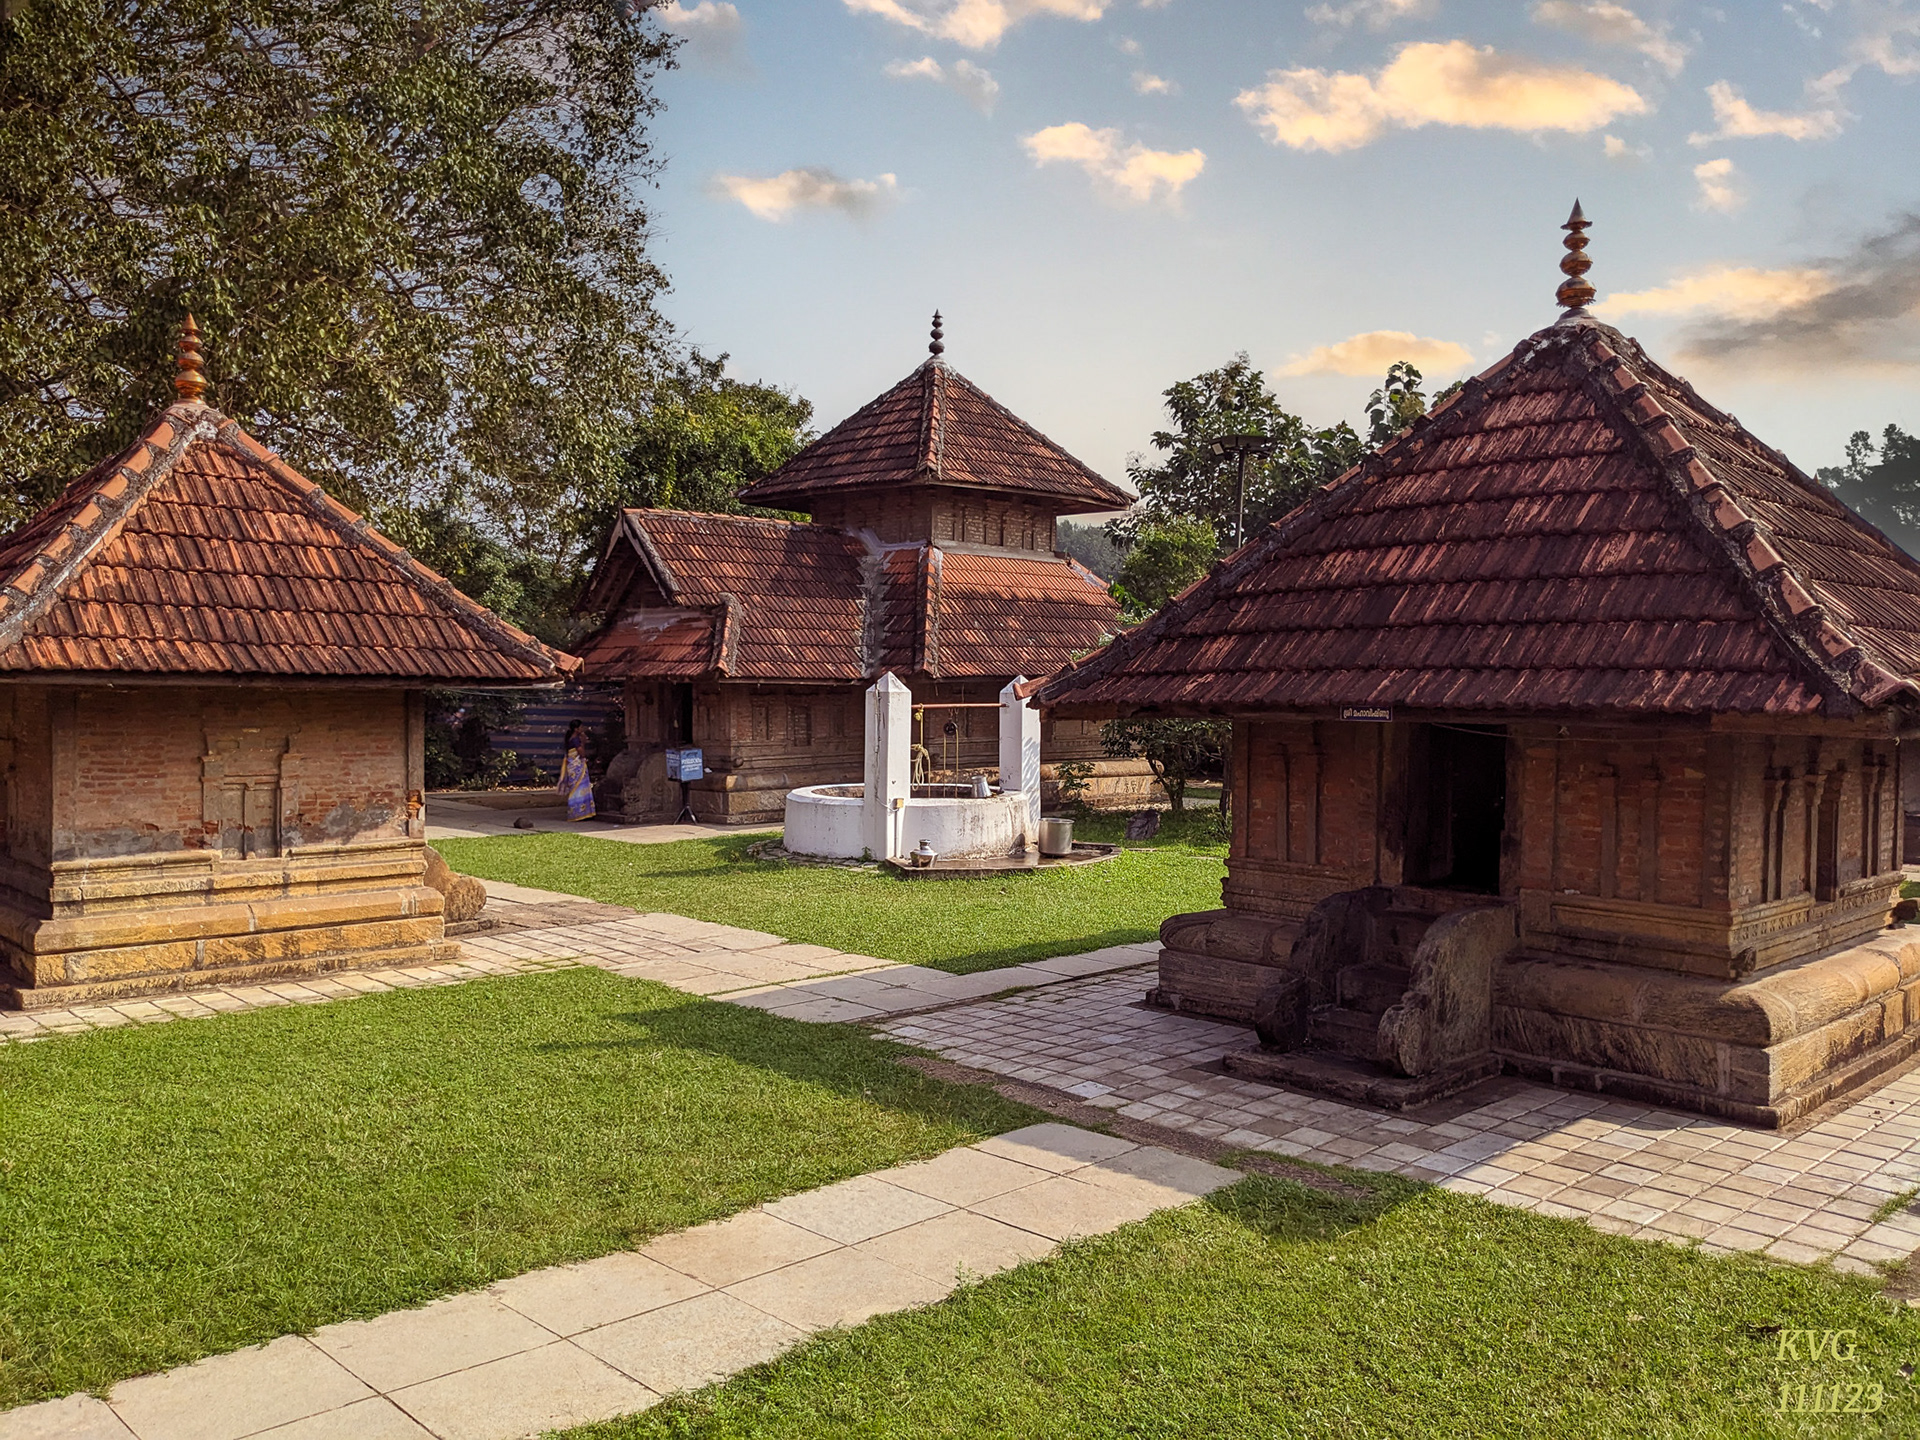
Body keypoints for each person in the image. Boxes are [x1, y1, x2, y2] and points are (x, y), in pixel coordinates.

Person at [559, 720, 596, 821]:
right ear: (576, 729)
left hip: (572, 765)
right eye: (581, 727)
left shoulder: (570, 738)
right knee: (580, 787)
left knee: (575, 788)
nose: (582, 729)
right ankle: (580, 813)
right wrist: (583, 742)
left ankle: (577, 813)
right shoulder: (575, 740)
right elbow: (581, 753)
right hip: (577, 765)